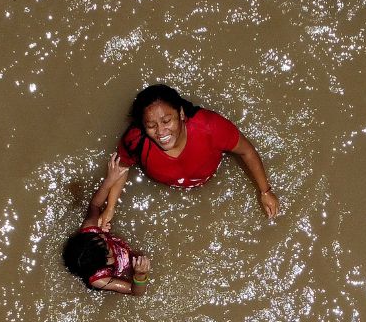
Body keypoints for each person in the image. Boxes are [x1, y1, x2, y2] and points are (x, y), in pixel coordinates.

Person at [96, 84, 280, 229]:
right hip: (169, 189)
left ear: (181, 114)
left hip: (210, 178)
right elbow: (121, 168)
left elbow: (246, 151)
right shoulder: (136, 140)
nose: (161, 132)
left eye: (167, 121)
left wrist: (265, 191)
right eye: (151, 125)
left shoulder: (210, 127)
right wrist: (110, 207)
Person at [63, 155, 152, 295]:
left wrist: (109, 183)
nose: (105, 237)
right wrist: (140, 276)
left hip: (114, 252)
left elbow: (95, 204)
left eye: (99, 236)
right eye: (105, 246)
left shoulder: (89, 229)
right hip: (122, 270)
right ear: (105, 262)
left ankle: (76, 195)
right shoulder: (99, 279)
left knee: (121, 167)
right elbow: (136, 292)